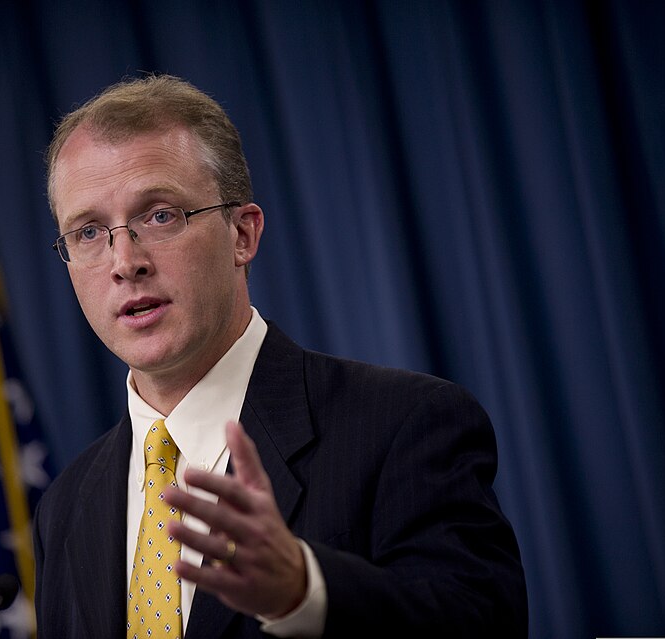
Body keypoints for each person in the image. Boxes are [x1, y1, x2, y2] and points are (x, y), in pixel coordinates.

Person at [32, 73, 527, 638]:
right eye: (89, 232)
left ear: (242, 235)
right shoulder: (65, 509)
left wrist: (303, 591)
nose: (125, 261)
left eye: (159, 215)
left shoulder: (404, 425)